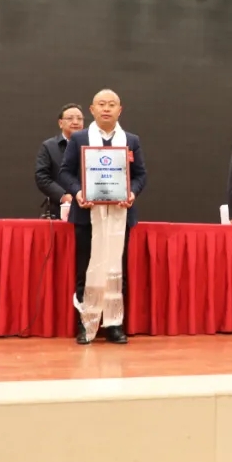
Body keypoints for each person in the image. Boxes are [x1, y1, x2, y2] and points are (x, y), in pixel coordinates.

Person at [58, 89, 146, 345]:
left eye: (111, 105)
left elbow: (140, 175)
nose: (106, 109)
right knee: (86, 268)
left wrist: (132, 192)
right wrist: (78, 192)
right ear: (92, 109)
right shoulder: (80, 138)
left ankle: (114, 325)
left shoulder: (131, 140)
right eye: (101, 104)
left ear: (120, 110)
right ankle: (85, 323)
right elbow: (65, 172)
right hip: (87, 215)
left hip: (120, 214)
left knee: (116, 269)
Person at [35, 103, 85, 219]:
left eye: (79, 118)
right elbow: (42, 177)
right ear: (60, 123)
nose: (75, 122)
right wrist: (63, 196)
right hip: (59, 208)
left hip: (87, 208)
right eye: (70, 118)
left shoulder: (91, 145)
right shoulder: (49, 146)